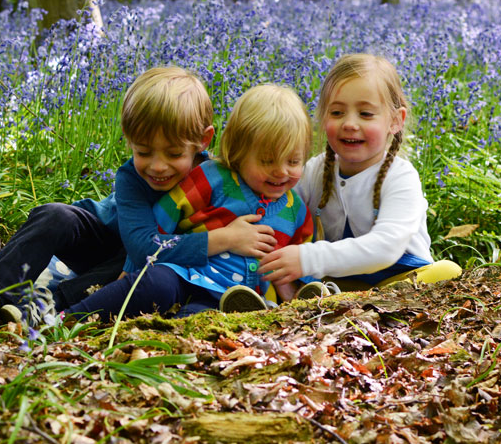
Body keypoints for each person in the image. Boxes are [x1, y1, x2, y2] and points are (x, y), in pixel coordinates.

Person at [0, 67, 277, 330]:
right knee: (55, 215)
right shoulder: (131, 178)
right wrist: (223, 239)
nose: (157, 166)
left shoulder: (217, 178)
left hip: (142, 262)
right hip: (107, 236)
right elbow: (145, 246)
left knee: (139, 265)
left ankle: (48, 304)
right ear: (128, 139)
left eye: (173, 154)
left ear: (203, 141)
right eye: (143, 152)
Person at [61, 84, 315, 321]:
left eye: (293, 162)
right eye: (267, 161)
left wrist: (293, 289)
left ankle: (165, 338)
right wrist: (132, 267)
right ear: (239, 153)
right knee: (156, 283)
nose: (281, 171)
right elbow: (163, 218)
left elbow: (295, 258)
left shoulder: (296, 212)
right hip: (185, 273)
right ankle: (69, 318)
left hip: (229, 300)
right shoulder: (214, 178)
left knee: (199, 319)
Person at [258, 54, 461, 295]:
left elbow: (385, 248)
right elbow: (278, 211)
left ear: (395, 121)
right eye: (337, 113)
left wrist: (307, 258)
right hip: (336, 282)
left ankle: (332, 302)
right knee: (270, 264)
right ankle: (273, 301)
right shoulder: (314, 171)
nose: (350, 124)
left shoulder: (400, 176)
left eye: (365, 114)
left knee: (447, 271)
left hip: (398, 280)